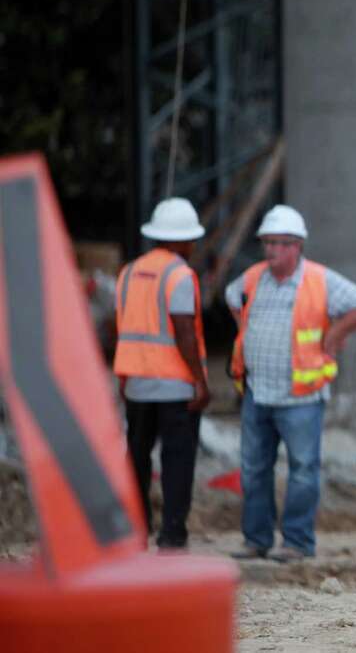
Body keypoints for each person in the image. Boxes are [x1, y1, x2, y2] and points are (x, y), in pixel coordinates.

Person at [224, 205, 356, 563]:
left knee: (303, 470)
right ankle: (256, 539)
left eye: (279, 243)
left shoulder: (319, 280)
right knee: (253, 468)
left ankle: (296, 542)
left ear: (297, 246)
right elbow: (232, 298)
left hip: (301, 396)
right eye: (267, 243)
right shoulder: (252, 278)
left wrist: (336, 333)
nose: (271, 250)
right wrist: (246, 332)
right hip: (258, 390)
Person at [114, 197, 210, 550]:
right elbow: (184, 330)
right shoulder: (179, 275)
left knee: (136, 458)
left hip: (136, 385)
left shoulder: (128, 273)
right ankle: (172, 534)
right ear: (181, 240)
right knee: (177, 460)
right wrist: (200, 380)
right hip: (173, 386)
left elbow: (121, 327)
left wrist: (124, 378)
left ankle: (135, 531)